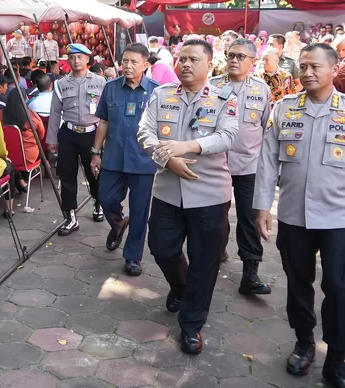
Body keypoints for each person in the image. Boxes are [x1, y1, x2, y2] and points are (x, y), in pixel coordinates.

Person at [137, 38, 239, 355]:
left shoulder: (225, 98)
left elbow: (228, 135)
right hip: (167, 191)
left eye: (194, 59)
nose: (185, 64)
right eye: (182, 59)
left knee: (205, 261)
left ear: (209, 64)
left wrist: (188, 147)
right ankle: (181, 287)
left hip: (209, 194)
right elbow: (144, 131)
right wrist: (167, 158)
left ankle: (192, 324)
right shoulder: (161, 94)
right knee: (161, 248)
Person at [254, 43, 345, 386]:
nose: (306, 72)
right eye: (302, 66)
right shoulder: (285, 108)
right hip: (294, 215)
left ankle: (337, 354)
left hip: (339, 218)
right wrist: (262, 205)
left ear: (334, 69)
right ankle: (304, 342)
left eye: (315, 67)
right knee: (298, 283)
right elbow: (267, 161)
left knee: (337, 286)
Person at [209, 39, 272, 292]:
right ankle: (214, 255)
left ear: (253, 62)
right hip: (216, 165)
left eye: (240, 56)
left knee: (249, 218)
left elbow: (266, 127)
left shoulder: (261, 89)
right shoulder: (212, 87)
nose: (234, 60)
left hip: (248, 165)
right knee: (215, 216)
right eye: (231, 55)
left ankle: (250, 272)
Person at [92, 43, 159, 277]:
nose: (128, 66)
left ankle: (133, 257)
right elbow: (103, 122)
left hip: (144, 162)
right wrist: (95, 152)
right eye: (125, 61)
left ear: (145, 65)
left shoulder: (157, 91)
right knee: (105, 198)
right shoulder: (110, 88)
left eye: (133, 62)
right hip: (114, 158)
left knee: (140, 211)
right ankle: (119, 224)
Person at [47, 43, 107, 236]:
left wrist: (107, 139)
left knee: (94, 174)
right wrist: (52, 139)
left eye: (80, 57)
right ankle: (71, 216)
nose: (76, 61)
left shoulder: (101, 82)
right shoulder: (60, 84)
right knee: (66, 175)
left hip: (93, 134)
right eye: (72, 57)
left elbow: (106, 114)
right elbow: (55, 113)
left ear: (88, 59)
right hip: (69, 133)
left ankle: (99, 203)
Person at [2, 90, 45, 191]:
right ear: (25, 99)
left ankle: (18, 177)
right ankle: (20, 177)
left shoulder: (0, 115)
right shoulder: (32, 116)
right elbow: (41, 135)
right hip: (27, 157)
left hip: (6, 155)